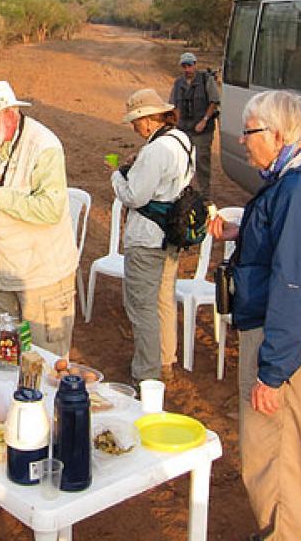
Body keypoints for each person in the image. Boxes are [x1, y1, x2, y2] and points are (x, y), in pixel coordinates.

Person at [207, 90, 301, 541]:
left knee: (276, 447)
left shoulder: (300, 189)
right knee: (284, 443)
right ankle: (289, 530)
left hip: (293, 326)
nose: (241, 141)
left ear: (277, 134)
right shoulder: (297, 176)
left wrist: (272, 373)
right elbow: (293, 253)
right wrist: (245, 231)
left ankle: (288, 534)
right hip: (299, 320)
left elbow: (296, 285)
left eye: (248, 132)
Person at [0, 80, 78, 357]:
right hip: (3, 271)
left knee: (45, 362)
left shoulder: (44, 147)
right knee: (6, 358)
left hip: (42, 278)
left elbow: (50, 208)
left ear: (9, 113)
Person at [109, 88, 194, 384]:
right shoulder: (181, 140)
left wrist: (118, 175)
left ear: (146, 120)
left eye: (135, 121)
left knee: (142, 307)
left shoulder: (156, 150)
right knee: (163, 300)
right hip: (171, 235)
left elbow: (135, 195)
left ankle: (146, 374)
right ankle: (165, 361)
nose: (134, 127)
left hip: (147, 239)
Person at [169, 51, 220, 199]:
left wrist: (204, 120)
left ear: (195, 65)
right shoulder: (178, 83)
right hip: (183, 128)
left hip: (202, 130)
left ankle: (204, 195)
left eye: (189, 66)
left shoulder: (206, 80)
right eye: (184, 66)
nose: (187, 69)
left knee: (201, 161)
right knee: (181, 161)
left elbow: (214, 102)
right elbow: (174, 105)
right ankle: (182, 193)